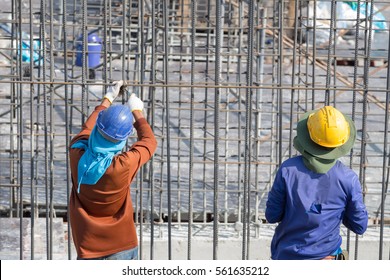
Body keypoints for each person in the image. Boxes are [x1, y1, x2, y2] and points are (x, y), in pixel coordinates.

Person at [265, 105, 368, 260]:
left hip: (286, 257)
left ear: (307, 135)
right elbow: (360, 225)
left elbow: (272, 216)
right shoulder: (348, 178)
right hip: (326, 258)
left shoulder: (288, 170)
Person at [69, 80, 157, 260]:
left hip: (88, 246)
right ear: (122, 140)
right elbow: (149, 142)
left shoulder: (77, 153)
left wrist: (107, 98)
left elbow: (88, 128)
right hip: (122, 245)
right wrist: (137, 112)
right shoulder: (122, 165)